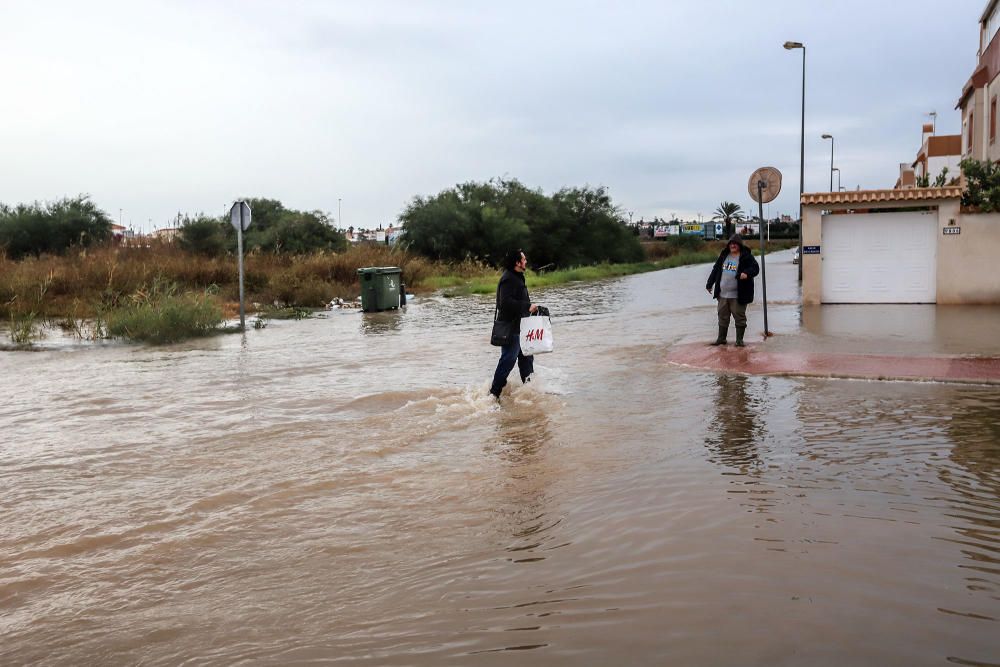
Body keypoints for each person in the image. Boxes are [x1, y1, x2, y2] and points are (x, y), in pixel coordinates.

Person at [490, 249, 538, 399]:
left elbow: (518, 300)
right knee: (508, 360)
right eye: (523, 259)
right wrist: (526, 306)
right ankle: (493, 394)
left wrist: (530, 310)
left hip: (522, 327)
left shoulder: (518, 277)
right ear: (517, 262)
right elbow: (504, 303)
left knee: (527, 359)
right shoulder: (508, 279)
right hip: (511, 329)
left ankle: (529, 392)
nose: (526, 261)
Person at [705, 234, 759, 347]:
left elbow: (755, 268)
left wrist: (747, 273)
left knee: (739, 318)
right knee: (722, 317)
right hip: (722, 294)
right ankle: (721, 339)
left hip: (738, 295)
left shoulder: (746, 256)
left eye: (735, 244)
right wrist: (710, 283)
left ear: (739, 245)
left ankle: (739, 341)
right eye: (731, 243)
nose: (733, 245)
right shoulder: (724, 255)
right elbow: (716, 269)